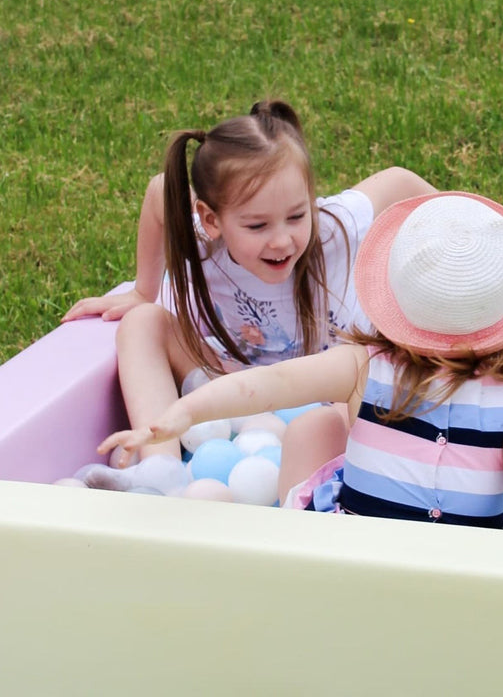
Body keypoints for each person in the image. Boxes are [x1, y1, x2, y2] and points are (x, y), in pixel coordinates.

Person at [98, 192, 503, 536]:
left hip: (359, 558)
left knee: (313, 444)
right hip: (468, 569)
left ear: (395, 297)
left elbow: (268, 385)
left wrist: (185, 413)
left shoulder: (362, 366)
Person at [65, 100, 436, 495]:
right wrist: (144, 289)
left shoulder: (334, 227)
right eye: (257, 225)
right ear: (211, 220)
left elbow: (400, 182)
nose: (282, 239)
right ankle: (160, 469)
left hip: (329, 401)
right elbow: (160, 192)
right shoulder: (203, 237)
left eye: (296, 216)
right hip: (226, 389)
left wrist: (479, 240)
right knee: (143, 323)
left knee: (375, 373)